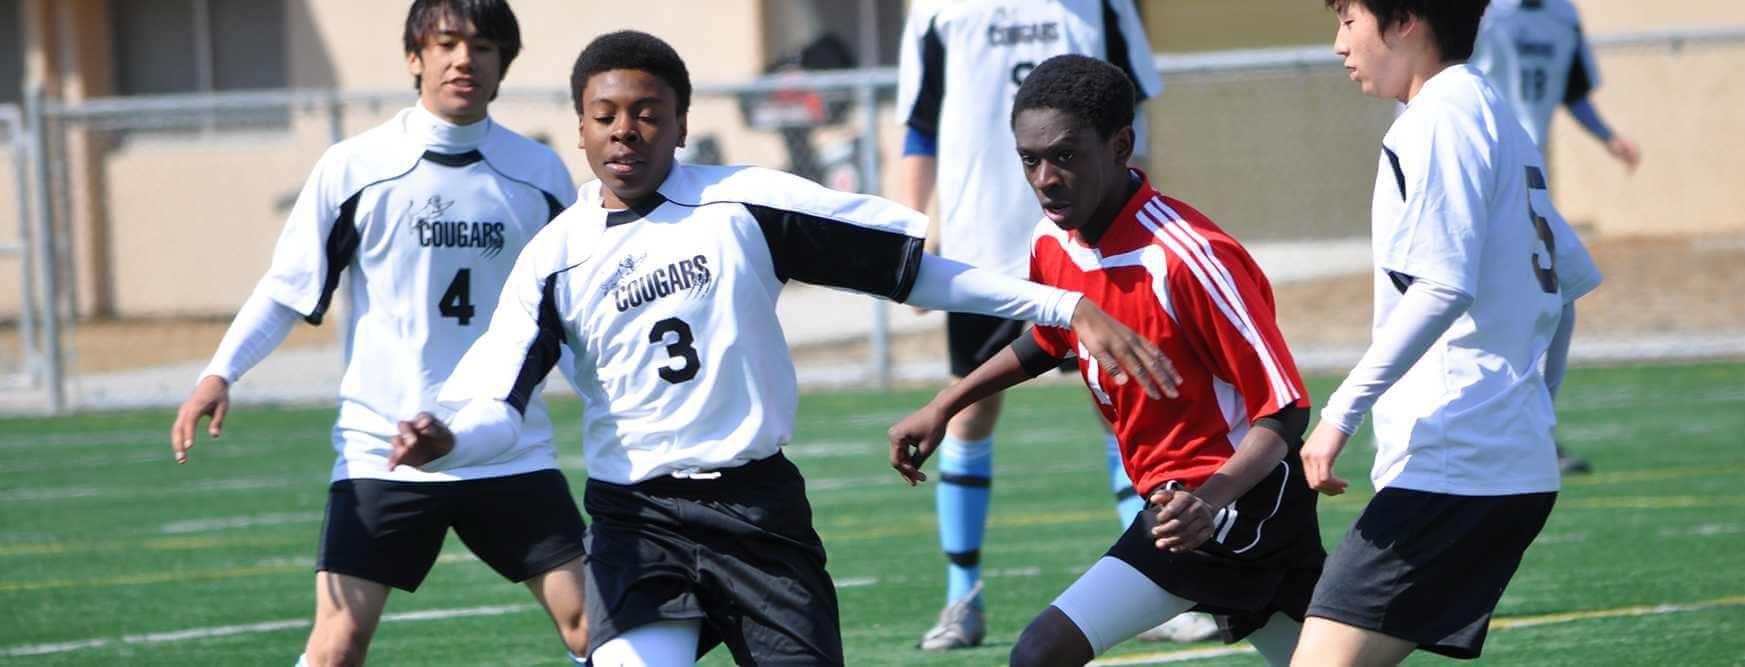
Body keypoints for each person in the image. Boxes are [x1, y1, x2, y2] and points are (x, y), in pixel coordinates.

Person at [384, 30, 1178, 667]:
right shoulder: (553, 258)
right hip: (638, 523)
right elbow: (495, 403)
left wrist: (1065, 303)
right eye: (605, 113)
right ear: (581, 127)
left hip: (758, 513)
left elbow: (923, 277)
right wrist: (447, 439)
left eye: (649, 111)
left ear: (683, 123)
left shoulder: (746, 205)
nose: (626, 129)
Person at [167, 2, 588, 665]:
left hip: (503, 443)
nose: (463, 60)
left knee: (592, 626)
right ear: (414, 56)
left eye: (482, 46)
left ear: (503, 63)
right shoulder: (354, 167)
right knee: (337, 644)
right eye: (446, 43)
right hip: (381, 447)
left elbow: (575, 307)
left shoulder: (540, 174)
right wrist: (220, 372)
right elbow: (288, 286)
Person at [888, 54, 1327, 667]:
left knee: (1041, 652)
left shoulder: (1190, 257)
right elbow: (1049, 341)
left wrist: (1210, 498)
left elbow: (1284, 410)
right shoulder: (1051, 240)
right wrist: (946, 403)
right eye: (1029, 159)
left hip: (1231, 504)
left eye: (1065, 156)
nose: (1044, 177)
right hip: (1188, 506)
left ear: (1121, 145)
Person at [1291, 0, 1602, 663]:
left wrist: (1339, 413)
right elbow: (1566, 286)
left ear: (1405, 20)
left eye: (1349, 20)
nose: (1339, 43)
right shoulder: (1495, 115)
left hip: (1454, 464)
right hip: (1504, 462)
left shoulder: (1437, 118)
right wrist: (1537, 405)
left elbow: (1442, 285)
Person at [894, 0, 1200, 648]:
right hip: (984, 247)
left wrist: (1149, 229)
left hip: (1093, 241)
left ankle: (1164, 583)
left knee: (1125, 399)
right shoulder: (937, 10)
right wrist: (910, 238)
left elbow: (1133, 115)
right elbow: (920, 128)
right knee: (973, 408)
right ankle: (962, 598)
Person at [1473, 0, 1632, 474]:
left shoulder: (1561, 16)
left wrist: (1608, 136)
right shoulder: (1485, 13)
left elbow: (1571, 90)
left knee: (1557, 291)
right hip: (1484, 170)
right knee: (1471, 300)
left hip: (1528, 173)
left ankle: (1533, 428)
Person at [1472, 0, 1638, 170]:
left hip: (1534, 153)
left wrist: (1608, 137)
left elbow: (1573, 93)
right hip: (1485, 150)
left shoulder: (1565, 18)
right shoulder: (1487, 13)